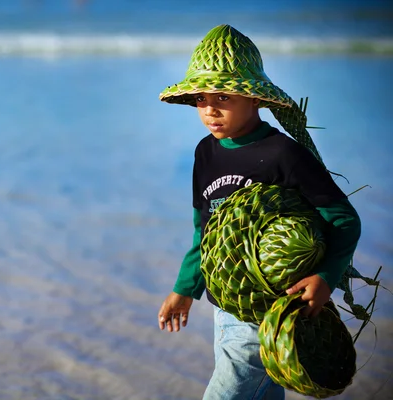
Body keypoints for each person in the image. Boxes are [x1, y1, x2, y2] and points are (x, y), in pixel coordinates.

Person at [155, 25, 361, 400]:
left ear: (255, 99)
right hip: (225, 306)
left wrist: (326, 276)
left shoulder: (284, 154)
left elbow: (344, 219)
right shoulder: (206, 153)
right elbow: (205, 229)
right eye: (201, 98)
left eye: (222, 96)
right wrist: (186, 288)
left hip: (270, 309)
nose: (210, 110)